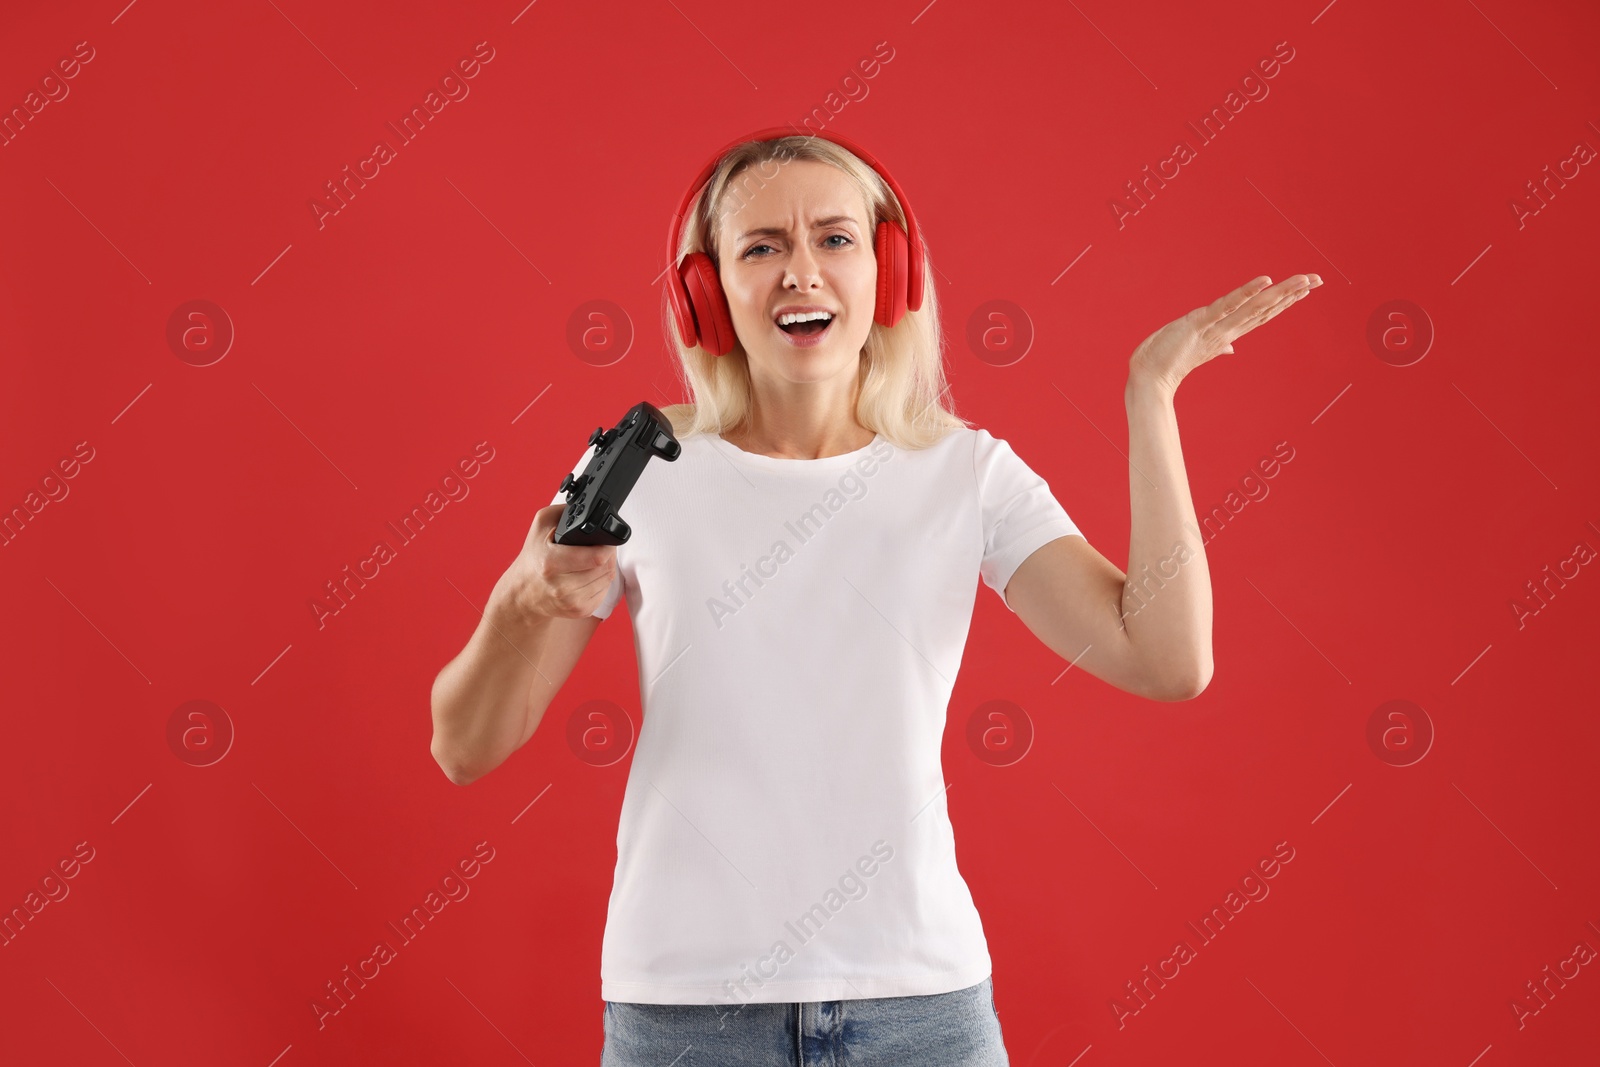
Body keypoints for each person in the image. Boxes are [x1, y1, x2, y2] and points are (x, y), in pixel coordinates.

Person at [429, 130, 1322, 1066]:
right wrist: (525, 597)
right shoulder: (643, 471)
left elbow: (1167, 659)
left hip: (920, 1010)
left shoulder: (966, 473)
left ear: (889, 272)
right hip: (685, 1012)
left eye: (836, 239)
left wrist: (1154, 392)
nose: (800, 273)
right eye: (761, 247)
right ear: (708, 291)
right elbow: (462, 745)